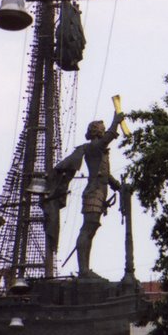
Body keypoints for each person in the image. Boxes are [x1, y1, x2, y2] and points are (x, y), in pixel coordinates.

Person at [44, 111, 125, 276]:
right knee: (88, 229)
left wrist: (118, 186)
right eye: (102, 128)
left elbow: (105, 173)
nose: (104, 131)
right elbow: (107, 139)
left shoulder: (100, 151)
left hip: (100, 193)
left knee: (91, 229)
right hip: (93, 193)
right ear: (97, 131)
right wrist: (116, 121)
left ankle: (85, 269)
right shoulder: (94, 147)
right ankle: (83, 270)